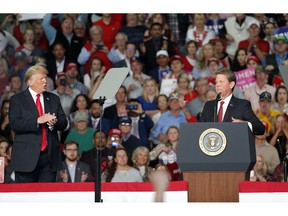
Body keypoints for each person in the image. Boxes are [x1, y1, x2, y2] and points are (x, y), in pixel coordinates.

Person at [9, 65, 68, 183]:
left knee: (46, 198)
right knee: (25, 197)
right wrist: (37, 120)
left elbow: (64, 123)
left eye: (45, 78)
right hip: (26, 157)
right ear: (30, 82)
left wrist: (54, 123)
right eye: (41, 78)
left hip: (49, 157)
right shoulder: (17, 100)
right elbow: (15, 124)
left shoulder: (53, 98)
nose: (45, 81)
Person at [200, 68, 265, 136]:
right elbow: (199, 129)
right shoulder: (208, 106)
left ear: (231, 84)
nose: (217, 85)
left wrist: (245, 125)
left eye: (221, 82)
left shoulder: (242, 105)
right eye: (216, 82)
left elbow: (260, 128)